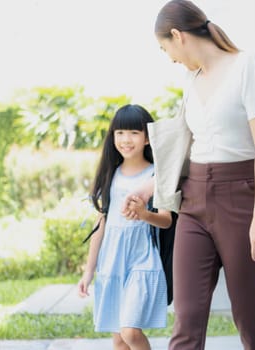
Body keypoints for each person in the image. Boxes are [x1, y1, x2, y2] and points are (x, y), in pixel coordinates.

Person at [123, 1, 255, 349]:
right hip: (193, 203)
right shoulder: (191, 80)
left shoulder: (247, 66)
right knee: (187, 315)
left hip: (241, 198)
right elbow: (185, 150)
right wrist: (147, 189)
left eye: (166, 48)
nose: (171, 58)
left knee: (248, 313)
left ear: (178, 36)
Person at [77, 104, 172, 350]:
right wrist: (89, 271)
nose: (125, 139)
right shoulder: (110, 174)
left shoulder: (157, 175)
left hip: (142, 259)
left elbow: (166, 219)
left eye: (133, 133)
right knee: (118, 339)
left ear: (148, 138)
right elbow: (101, 225)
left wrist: (143, 214)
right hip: (111, 261)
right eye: (119, 133)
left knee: (130, 331)